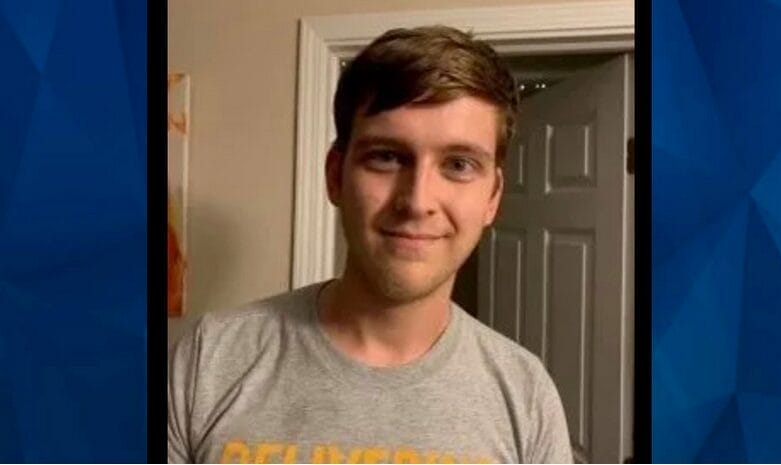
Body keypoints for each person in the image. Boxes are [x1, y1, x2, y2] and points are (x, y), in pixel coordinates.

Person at [168, 25, 573, 464]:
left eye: (458, 164)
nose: (417, 201)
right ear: (334, 176)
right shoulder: (207, 361)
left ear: (492, 196)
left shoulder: (526, 396)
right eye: (386, 157)